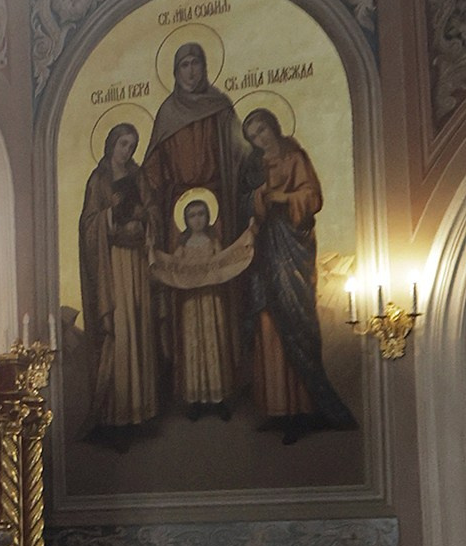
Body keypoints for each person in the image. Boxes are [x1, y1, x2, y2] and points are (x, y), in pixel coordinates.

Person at [241, 108, 357, 438]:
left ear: (273, 127)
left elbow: (313, 198)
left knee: (295, 321)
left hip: (293, 246)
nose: (259, 140)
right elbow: (253, 208)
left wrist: (282, 197)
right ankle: (277, 409)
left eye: (261, 131)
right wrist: (258, 200)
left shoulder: (295, 158)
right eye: (252, 137)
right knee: (269, 322)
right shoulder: (257, 166)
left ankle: (304, 410)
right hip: (266, 248)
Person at [78, 118, 158, 437]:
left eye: (132, 146)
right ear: (112, 144)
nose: (127, 151)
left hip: (137, 260)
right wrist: (110, 215)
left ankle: (143, 411)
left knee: (139, 327)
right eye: (123, 144)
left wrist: (144, 219)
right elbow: (88, 224)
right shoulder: (98, 180)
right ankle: (118, 414)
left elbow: (152, 208)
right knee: (121, 331)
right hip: (112, 266)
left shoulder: (138, 176)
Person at [147, 191, 255, 416]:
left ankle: (219, 398)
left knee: (214, 341)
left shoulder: (213, 242)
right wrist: (153, 254)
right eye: (192, 215)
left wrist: (247, 237)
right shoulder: (183, 246)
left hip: (212, 300)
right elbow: (174, 267)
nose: (197, 219)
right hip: (190, 304)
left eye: (201, 214)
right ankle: (195, 399)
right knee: (193, 343)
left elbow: (227, 260)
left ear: (208, 217)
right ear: (185, 220)